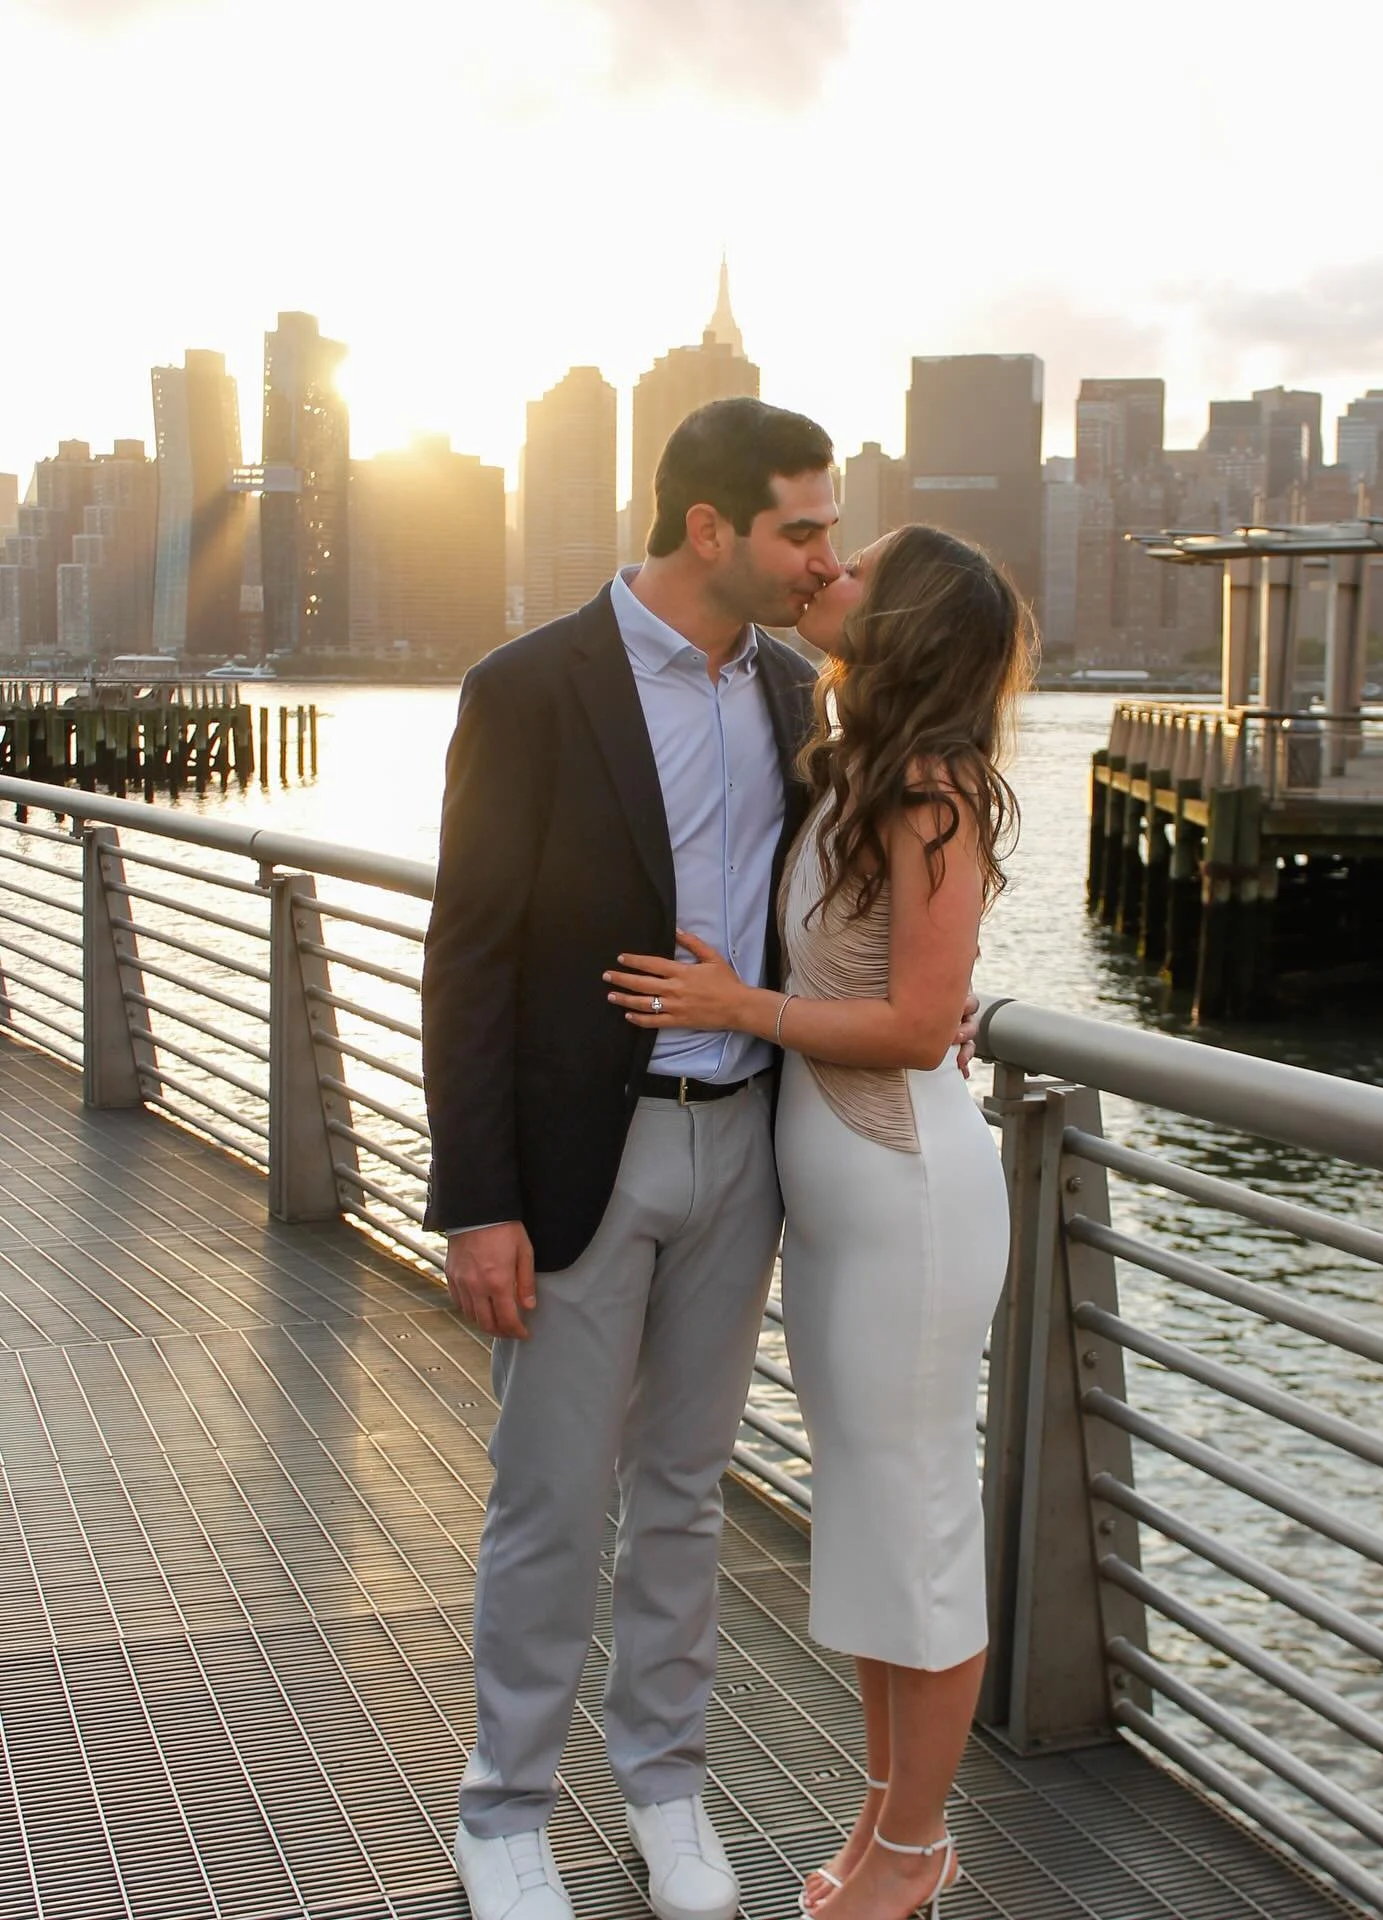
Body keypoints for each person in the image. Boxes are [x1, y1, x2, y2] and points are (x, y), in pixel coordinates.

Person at [423, 396, 981, 1920]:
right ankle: (504, 1810)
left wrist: (947, 1006)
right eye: (803, 528)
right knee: (548, 1495)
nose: (822, 559)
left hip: (747, 1145)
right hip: (577, 1158)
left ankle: (668, 1790)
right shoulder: (531, 687)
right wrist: (475, 1199)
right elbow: (468, 953)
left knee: (682, 1495)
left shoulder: (806, 695)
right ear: (711, 528)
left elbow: (875, 912)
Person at [604, 525, 1029, 1920]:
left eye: (854, 571)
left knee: (920, 1525)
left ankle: (917, 1850)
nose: (825, 577)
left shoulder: (937, 793)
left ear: (899, 620)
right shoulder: (852, 766)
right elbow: (891, 987)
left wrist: (746, 1010)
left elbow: (915, 1026)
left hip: (907, 1201)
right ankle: (880, 1811)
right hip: (840, 1205)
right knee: (866, 1517)